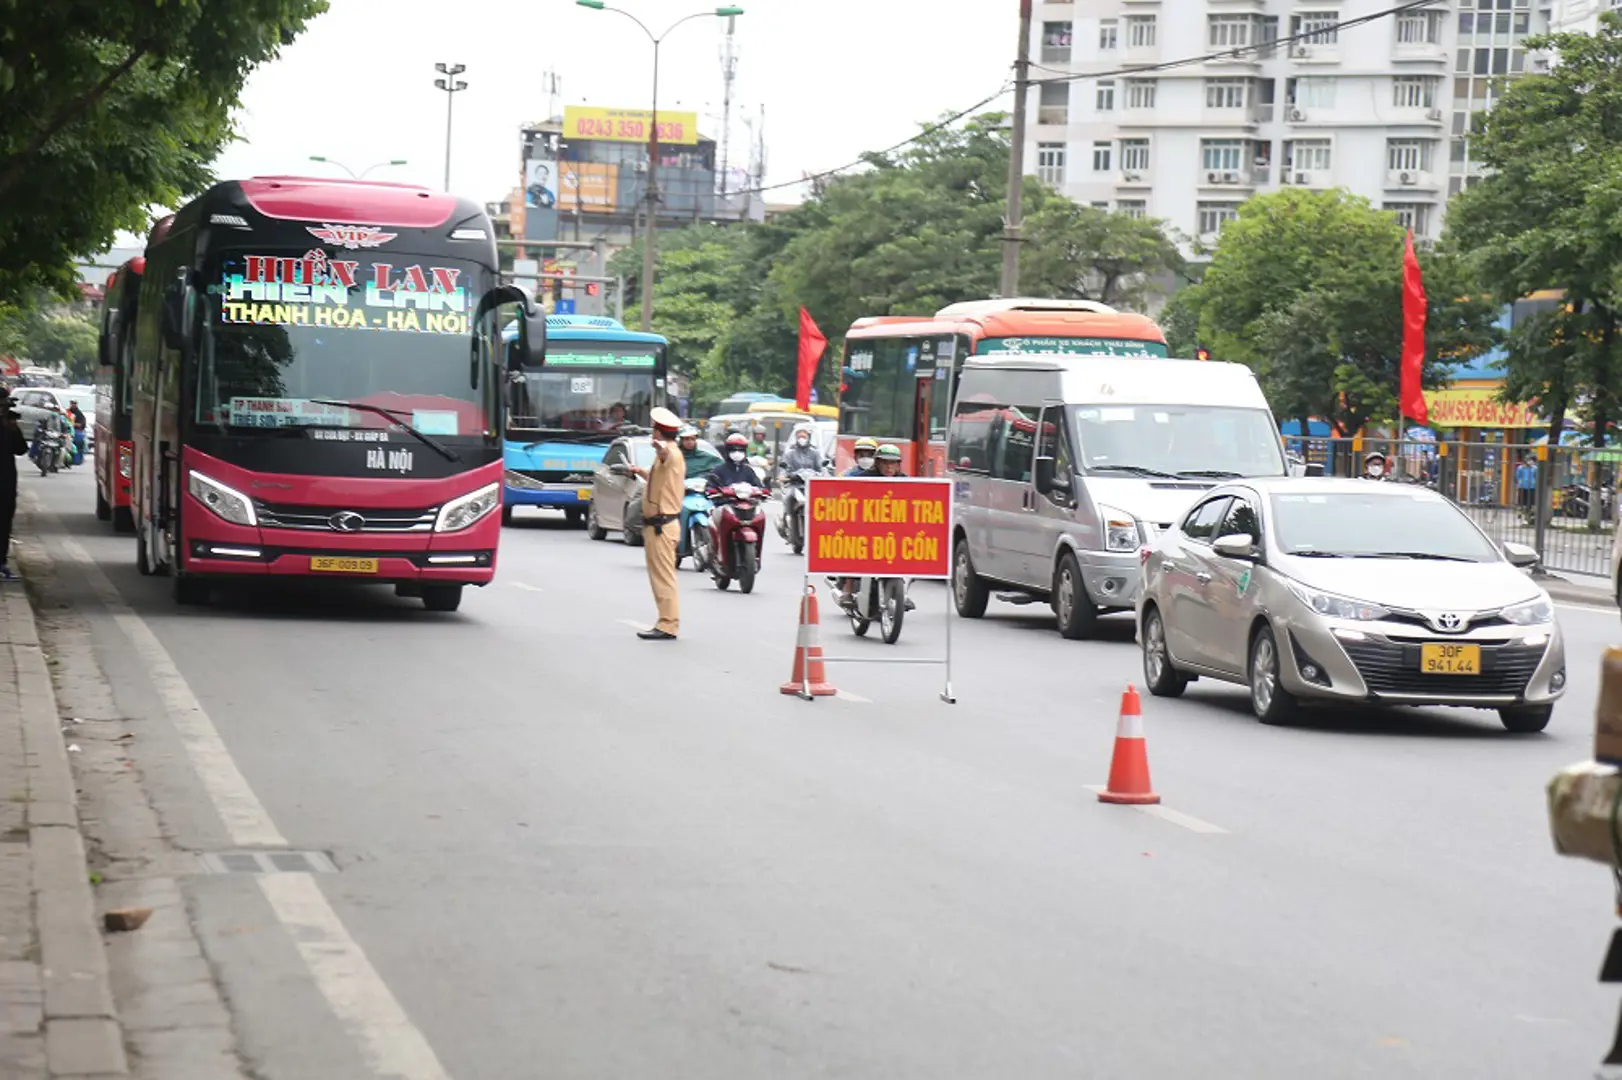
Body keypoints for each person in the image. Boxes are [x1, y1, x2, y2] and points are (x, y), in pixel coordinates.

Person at [628, 407, 685, 641]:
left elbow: (665, 454)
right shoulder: (668, 456)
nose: (652, 434)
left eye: (654, 430)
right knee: (660, 576)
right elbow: (658, 477)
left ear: (659, 433)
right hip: (657, 525)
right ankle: (666, 621)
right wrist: (640, 471)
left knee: (663, 577)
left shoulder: (670, 453)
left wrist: (660, 446)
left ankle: (668, 624)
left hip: (663, 526)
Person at [0, 390, 26, 580]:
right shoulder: (6, 427)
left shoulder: (7, 426)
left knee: (4, 523)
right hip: (5, 482)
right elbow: (21, 449)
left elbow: (21, 449)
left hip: (6, 482)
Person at [67, 401, 87, 467]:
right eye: (72, 403)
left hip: (75, 431)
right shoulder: (67, 412)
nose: (73, 405)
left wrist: (76, 425)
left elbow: (82, 423)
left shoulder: (79, 413)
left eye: (74, 403)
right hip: (67, 430)